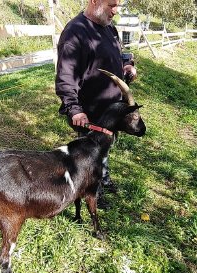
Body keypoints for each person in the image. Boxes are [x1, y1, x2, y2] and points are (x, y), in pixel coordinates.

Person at [55, 0, 137, 197]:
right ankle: (91, 192)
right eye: (111, 5)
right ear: (94, 1)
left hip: (111, 109)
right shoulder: (76, 32)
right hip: (90, 113)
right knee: (89, 155)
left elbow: (119, 53)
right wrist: (74, 109)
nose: (115, 11)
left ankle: (103, 177)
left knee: (105, 148)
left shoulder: (110, 29)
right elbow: (66, 77)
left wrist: (127, 65)